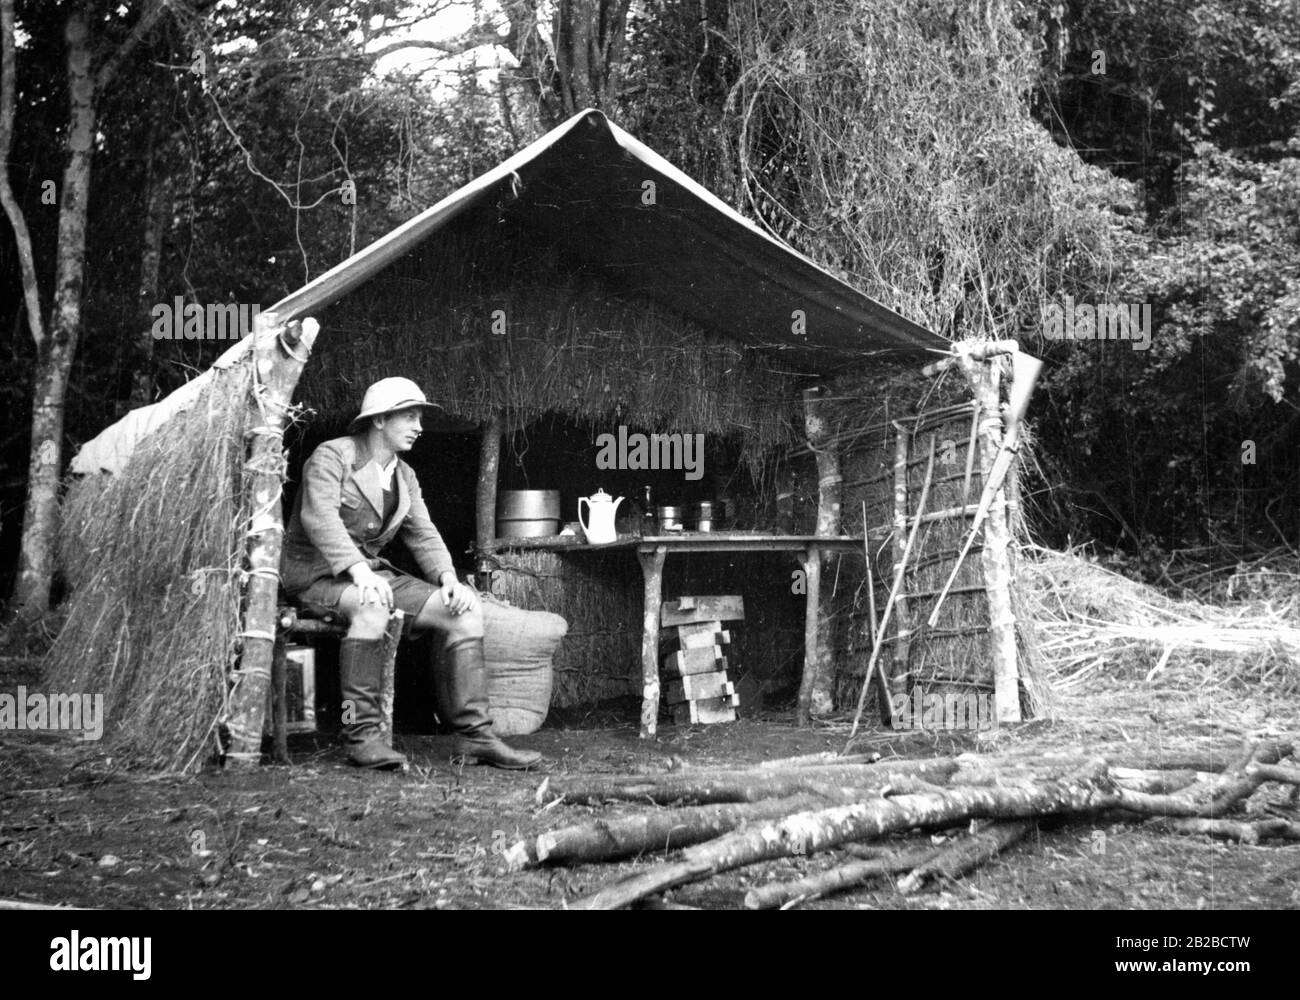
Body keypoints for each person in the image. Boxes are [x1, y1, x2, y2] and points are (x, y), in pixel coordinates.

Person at [281, 377, 542, 771]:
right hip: (317, 577)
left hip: (370, 575)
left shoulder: (405, 476)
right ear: (380, 420)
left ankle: (477, 737)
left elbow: (423, 533)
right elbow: (319, 518)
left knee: (464, 611)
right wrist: (356, 570)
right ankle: (361, 736)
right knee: (372, 606)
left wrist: (449, 580)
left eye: (420, 417)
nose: (419, 426)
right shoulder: (332, 456)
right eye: (409, 416)